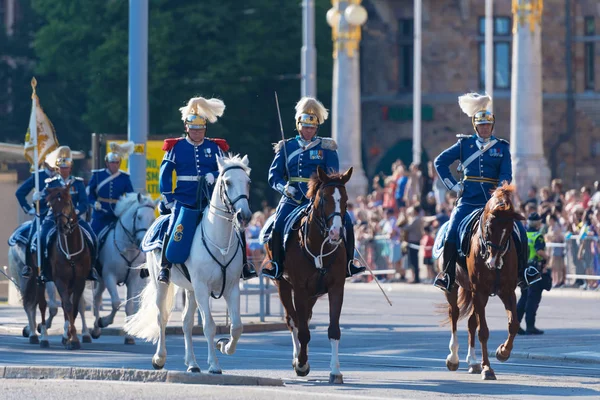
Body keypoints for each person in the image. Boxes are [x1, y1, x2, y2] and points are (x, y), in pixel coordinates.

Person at [433, 92, 541, 293]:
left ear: (492, 126)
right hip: (468, 199)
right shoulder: (464, 145)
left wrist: (499, 193)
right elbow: (439, 162)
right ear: (476, 127)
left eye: (487, 126)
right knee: (451, 233)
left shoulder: (501, 148)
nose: (484, 129)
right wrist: (453, 186)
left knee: (519, 231)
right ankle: (447, 276)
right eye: (481, 126)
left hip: (493, 201)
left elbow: (506, 173)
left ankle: (523, 272)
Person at [262, 96, 366, 279]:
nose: (308, 131)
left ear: (317, 128)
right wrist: (284, 188)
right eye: (305, 127)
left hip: (319, 197)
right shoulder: (287, 147)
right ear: (298, 125)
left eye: (312, 127)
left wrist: (323, 192)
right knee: (278, 225)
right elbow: (273, 176)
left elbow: (332, 175)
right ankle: (276, 264)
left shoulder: (326, 147)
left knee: (347, 222)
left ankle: (350, 263)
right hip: (292, 196)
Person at [156, 96, 256, 284]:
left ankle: (244, 265)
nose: (197, 133)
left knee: (236, 225)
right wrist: (168, 197)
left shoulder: (214, 147)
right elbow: (165, 173)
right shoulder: (176, 147)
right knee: (173, 225)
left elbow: (227, 170)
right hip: (184, 198)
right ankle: (165, 267)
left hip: (211, 199)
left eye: (200, 129)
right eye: (193, 129)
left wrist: (214, 175)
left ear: (205, 129)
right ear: (187, 128)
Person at [22, 146, 99, 282]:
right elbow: (45, 203)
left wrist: (76, 211)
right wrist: (37, 199)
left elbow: (84, 203)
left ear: (71, 168)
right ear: (58, 169)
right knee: (40, 237)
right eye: (61, 167)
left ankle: (91, 268)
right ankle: (42, 269)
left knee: (92, 237)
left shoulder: (78, 183)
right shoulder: (51, 183)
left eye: (67, 167)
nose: (64, 170)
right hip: (54, 217)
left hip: (74, 218)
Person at [87, 141, 135, 236]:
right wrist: (94, 203)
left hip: (118, 214)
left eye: (117, 162)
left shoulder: (124, 177)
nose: (115, 165)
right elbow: (89, 193)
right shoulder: (98, 175)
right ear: (107, 163)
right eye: (112, 162)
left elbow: (130, 196)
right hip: (100, 214)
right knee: (92, 236)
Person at [14, 160, 57, 249]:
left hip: (60, 213)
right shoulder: (38, 176)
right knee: (32, 239)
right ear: (45, 163)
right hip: (43, 214)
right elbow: (19, 193)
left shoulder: (62, 175)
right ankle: (31, 262)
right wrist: (29, 209)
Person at [517, 212, 548, 335]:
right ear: (538, 223)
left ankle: (515, 323)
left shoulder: (523, 233)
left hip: (523, 268)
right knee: (533, 297)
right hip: (534, 269)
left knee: (524, 296)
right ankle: (530, 325)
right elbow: (539, 251)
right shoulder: (537, 235)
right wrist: (548, 258)